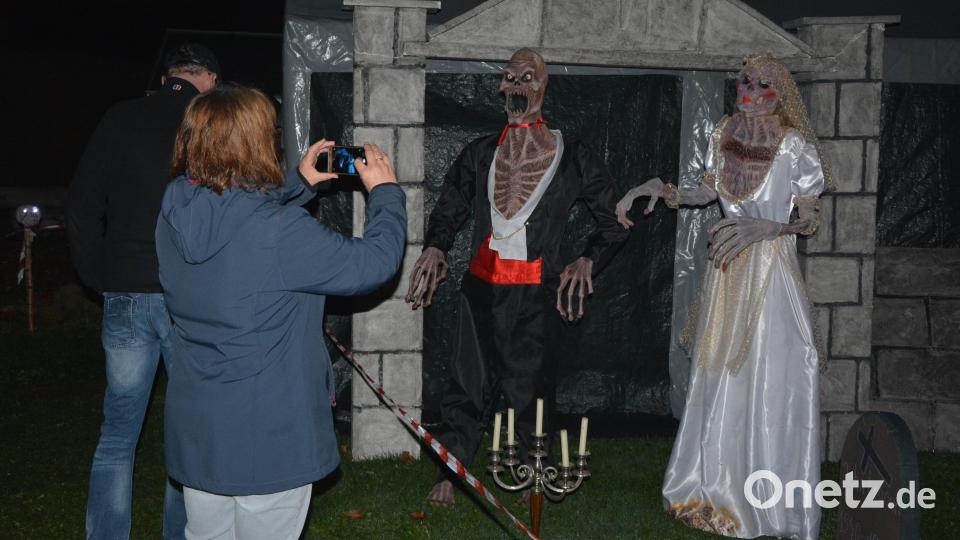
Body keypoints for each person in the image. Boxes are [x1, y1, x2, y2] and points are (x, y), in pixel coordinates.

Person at [155, 84, 406, 540]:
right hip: (267, 433)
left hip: (201, 429)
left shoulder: (176, 206)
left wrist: (300, 183)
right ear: (256, 143)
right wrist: (386, 193)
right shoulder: (279, 231)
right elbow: (373, 264)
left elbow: (237, 214)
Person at [617, 53, 829, 539]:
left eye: (763, 83)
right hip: (727, 272)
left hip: (771, 276)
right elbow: (705, 193)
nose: (750, 89)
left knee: (771, 379)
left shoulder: (794, 147)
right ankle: (715, 489)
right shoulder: (722, 135)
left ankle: (770, 504)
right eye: (745, 80)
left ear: (781, 92)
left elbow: (810, 218)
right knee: (720, 380)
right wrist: (663, 189)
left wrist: (772, 226)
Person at [406, 48, 628, 506]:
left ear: (543, 86)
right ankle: (452, 470)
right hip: (481, 289)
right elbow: (451, 204)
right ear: (502, 88)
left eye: (527, 77)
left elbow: (616, 218)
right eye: (509, 78)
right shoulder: (481, 153)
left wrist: (588, 258)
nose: (517, 87)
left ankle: (535, 470)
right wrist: (435, 246)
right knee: (467, 381)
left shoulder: (572, 156)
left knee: (531, 388)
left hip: (534, 291)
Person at [66, 42, 220, 540]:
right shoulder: (209, 123)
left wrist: (98, 275)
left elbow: (83, 202)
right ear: (210, 79)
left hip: (125, 291)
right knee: (188, 430)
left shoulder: (120, 116)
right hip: (188, 296)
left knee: (118, 431)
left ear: (171, 75)